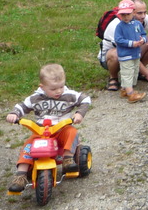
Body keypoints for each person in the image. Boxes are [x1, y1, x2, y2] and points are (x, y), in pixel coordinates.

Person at [6, 63, 91, 193]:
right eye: (53, 89)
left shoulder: (69, 95)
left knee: (72, 132)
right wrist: (14, 114)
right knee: (28, 146)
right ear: (42, 87)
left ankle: (68, 159)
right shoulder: (35, 98)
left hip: (61, 129)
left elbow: (85, 99)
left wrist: (79, 113)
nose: (58, 91)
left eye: (61, 86)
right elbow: (22, 106)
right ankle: (20, 175)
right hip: (40, 132)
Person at [114, 0, 147, 103]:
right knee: (127, 73)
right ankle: (131, 94)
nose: (125, 17)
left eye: (128, 14)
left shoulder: (137, 24)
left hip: (136, 54)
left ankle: (125, 89)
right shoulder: (120, 26)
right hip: (125, 55)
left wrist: (143, 40)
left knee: (134, 72)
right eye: (123, 15)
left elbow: (144, 34)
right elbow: (118, 40)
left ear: (133, 12)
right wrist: (131, 43)